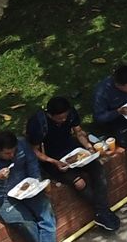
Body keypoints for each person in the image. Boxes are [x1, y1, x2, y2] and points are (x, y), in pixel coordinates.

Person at [24, 95, 120, 231]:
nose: (64, 120)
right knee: (79, 183)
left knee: (98, 170)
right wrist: (54, 162)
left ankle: (101, 212)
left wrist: (88, 147)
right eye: (60, 118)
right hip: (52, 159)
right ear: (50, 115)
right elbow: (34, 151)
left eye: (65, 116)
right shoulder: (38, 124)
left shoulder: (70, 114)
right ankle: (104, 211)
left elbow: (79, 132)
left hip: (72, 149)